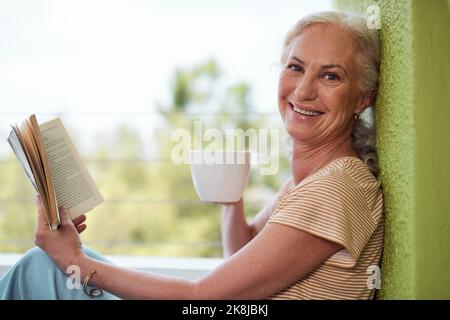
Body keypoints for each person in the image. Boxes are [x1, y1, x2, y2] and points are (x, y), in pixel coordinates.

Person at [0, 11, 383, 300]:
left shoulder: (337, 188)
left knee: (40, 270)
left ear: (362, 99)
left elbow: (204, 296)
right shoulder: (308, 184)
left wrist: (76, 263)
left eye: (330, 76)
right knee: (40, 270)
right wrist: (231, 198)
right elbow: (243, 255)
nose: (303, 91)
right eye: (296, 68)